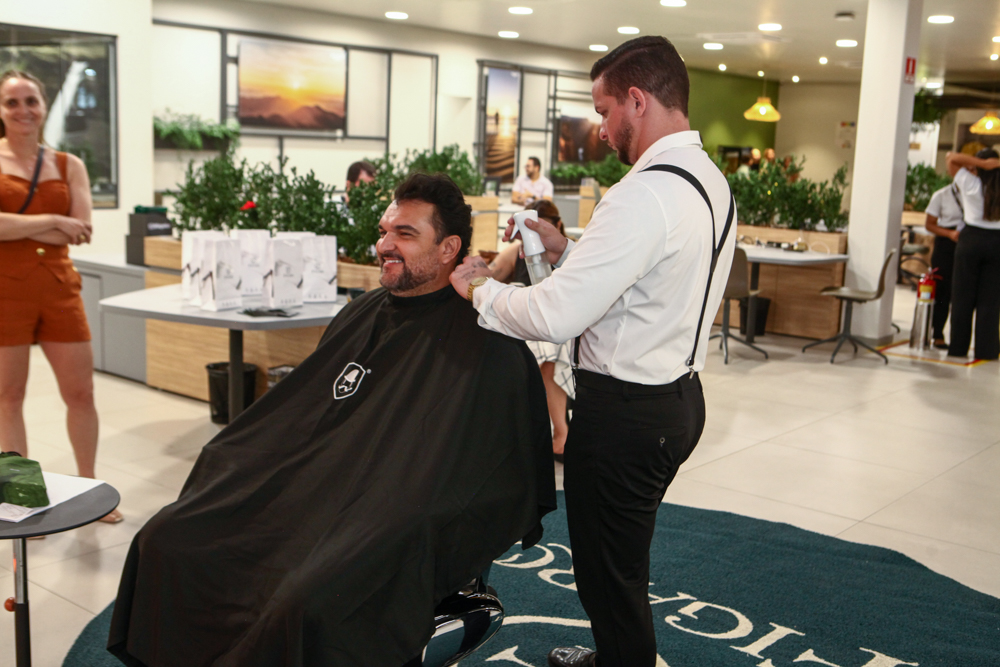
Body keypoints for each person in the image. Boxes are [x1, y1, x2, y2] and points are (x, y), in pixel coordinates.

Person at [108, 173, 556, 667]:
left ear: (449, 248)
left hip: (388, 513)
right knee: (167, 540)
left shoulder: (488, 335)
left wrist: (400, 510)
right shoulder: (360, 313)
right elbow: (307, 413)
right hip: (314, 491)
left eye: (405, 234)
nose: (384, 245)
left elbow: (492, 471)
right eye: (384, 231)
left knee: (304, 605)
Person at [451, 36, 735, 667]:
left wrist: (480, 291)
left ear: (638, 99)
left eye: (604, 111)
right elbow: (648, 280)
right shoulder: (709, 181)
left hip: (625, 417)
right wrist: (566, 251)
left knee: (609, 577)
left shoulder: (641, 194)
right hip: (678, 400)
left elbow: (555, 314)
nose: (601, 130)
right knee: (619, 563)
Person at [0, 71, 121, 523]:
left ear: (45, 104)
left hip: (59, 289)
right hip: (4, 291)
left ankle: (89, 488)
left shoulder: (70, 164)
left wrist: (18, 225)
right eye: (12, 102)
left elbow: (81, 229)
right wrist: (53, 220)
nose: (23, 110)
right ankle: (23, 499)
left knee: (81, 393)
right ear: (0, 110)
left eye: (31, 100)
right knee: (9, 397)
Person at [489, 199, 573, 458]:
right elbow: (489, 276)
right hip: (525, 326)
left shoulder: (571, 256)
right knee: (546, 350)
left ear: (557, 225)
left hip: (558, 327)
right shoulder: (516, 253)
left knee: (552, 350)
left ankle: (561, 433)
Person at [946, 148, 1000, 360]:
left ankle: (958, 348)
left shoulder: (970, 183)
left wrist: (983, 164)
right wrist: (992, 164)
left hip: (971, 240)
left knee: (962, 296)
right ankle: (987, 350)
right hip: (997, 242)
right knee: (991, 300)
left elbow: (951, 158)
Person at [923, 180, 964, 348]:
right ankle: (937, 333)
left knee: (962, 293)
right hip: (946, 244)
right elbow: (929, 224)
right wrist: (949, 234)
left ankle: (960, 338)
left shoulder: (978, 194)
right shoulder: (941, 195)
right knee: (942, 291)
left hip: (968, 242)